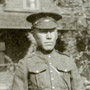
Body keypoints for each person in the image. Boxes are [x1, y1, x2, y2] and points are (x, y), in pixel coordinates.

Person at [12, 12, 85, 90]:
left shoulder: (68, 61)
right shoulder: (25, 64)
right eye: (43, 31)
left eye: (52, 31)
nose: (49, 36)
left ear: (56, 34)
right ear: (34, 34)